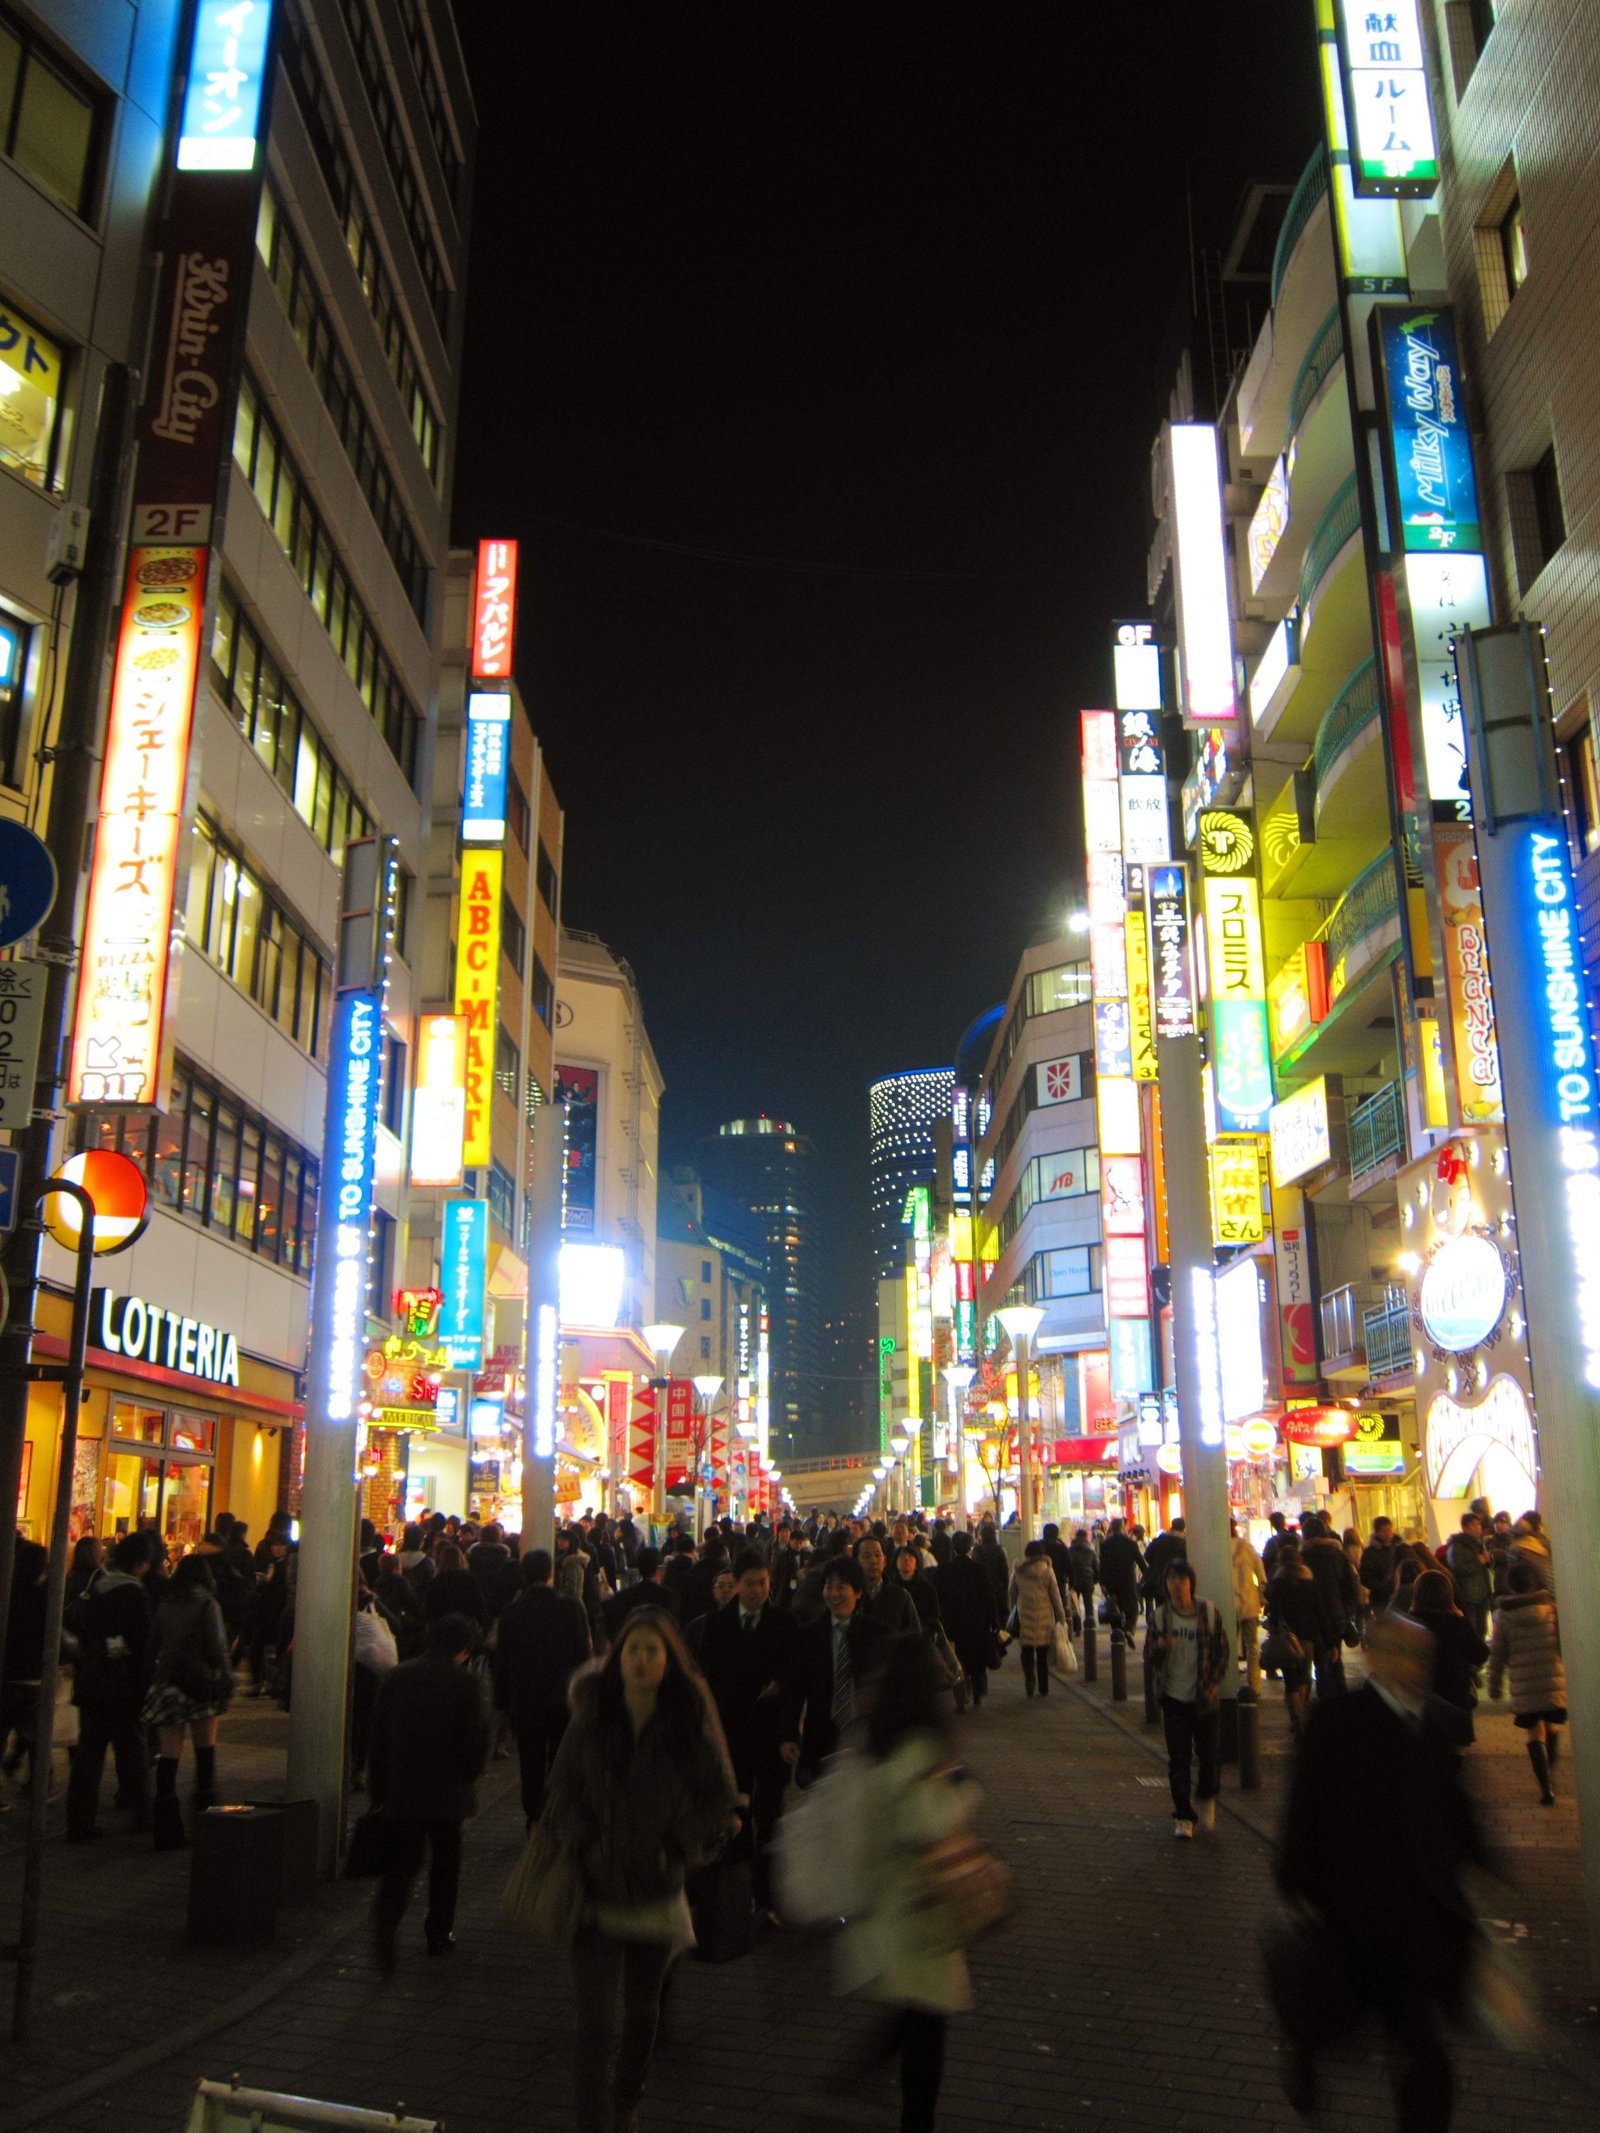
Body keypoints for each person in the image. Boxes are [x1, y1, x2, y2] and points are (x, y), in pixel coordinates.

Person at [1273, 1613, 1483, 2127]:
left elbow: (1454, 1810)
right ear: (1373, 1656)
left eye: (1420, 1657)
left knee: (1423, 2054)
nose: (1412, 1666)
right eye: (1400, 1654)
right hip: (1352, 1912)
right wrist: (1294, 1877)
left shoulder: (1439, 1723)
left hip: (1415, 1922)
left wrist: (1479, 1859)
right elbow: (1305, 1806)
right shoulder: (1337, 1719)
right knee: (1335, 2014)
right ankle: (1305, 2054)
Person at [544, 1610, 738, 2133]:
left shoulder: (683, 1719)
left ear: (669, 1661)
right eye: (634, 1650)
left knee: (641, 2018)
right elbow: (561, 1790)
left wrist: (681, 1846)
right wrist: (584, 1842)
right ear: (616, 1657)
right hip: (595, 1889)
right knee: (594, 2026)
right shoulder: (592, 1715)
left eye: (654, 1651)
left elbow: (718, 1797)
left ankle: (627, 2101)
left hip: (657, 1888)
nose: (642, 1660)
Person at [835, 1634, 979, 2133]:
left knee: (912, 2012)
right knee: (927, 2024)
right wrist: (964, 1792)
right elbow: (926, 1822)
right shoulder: (922, 1746)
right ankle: (911, 2118)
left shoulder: (875, 1738)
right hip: (926, 1902)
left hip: (891, 1900)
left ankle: (856, 2079)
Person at [369, 1612, 491, 1968]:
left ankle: (386, 1924)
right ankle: (438, 1933)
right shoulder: (467, 1684)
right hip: (447, 1792)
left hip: (402, 1787)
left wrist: (380, 1789)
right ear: (464, 1649)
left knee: (403, 1861)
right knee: (445, 1863)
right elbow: (476, 1742)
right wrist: (468, 1776)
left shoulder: (397, 1677)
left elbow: (379, 1739)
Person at [695, 1551, 798, 1916]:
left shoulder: (784, 1624)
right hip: (731, 1737)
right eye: (750, 1583)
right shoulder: (716, 1624)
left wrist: (781, 1693)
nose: (757, 1590)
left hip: (770, 1737)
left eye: (763, 1582)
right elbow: (704, 1675)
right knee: (735, 1815)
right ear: (736, 1584)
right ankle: (739, 1894)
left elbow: (793, 1678)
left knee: (770, 1816)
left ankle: (766, 1897)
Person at [140, 1553, 234, 1849]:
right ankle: (205, 1823)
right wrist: (227, 1678)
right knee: (205, 1753)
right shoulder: (208, 1604)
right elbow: (218, 1648)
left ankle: (166, 1829)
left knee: (169, 1757)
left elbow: (151, 1646)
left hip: (168, 1686)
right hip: (199, 1686)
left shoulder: (165, 1605)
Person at [65, 1533, 154, 1840]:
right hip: (123, 1686)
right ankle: (143, 1814)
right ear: (141, 1564)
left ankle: (79, 1822)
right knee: (131, 1752)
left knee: (88, 1756)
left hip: (92, 1681)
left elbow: (81, 1629)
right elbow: (142, 1644)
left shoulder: (97, 1587)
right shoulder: (134, 1595)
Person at [780, 1556, 892, 1781]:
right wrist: (789, 1734)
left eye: (841, 1587)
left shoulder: (877, 1635)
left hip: (864, 1735)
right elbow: (793, 1689)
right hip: (819, 1736)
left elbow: (888, 1688)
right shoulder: (808, 1637)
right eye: (828, 1587)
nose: (833, 1594)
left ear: (858, 1592)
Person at [1145, 1558, 1228, 1838]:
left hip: (1204, 1697)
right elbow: (1150, 1658)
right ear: (1165, 1585)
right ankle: (1183, 1816)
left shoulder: (1209, 1613)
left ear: (1191, 1583)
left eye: (1181, 1580)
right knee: (1178, 1759)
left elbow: (1222, 1652)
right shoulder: (1160, 1617)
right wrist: (1158, 1646)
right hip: (1173, 1698)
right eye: (1171, 1581)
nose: (1176, 1586)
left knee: (1210, 1756)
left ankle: (1206, 1796)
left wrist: (1214, 1682)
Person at [1488, 1562, 1567, 1803]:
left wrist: (1494, 1685)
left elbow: (1498, 1653)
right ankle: (1550, 1776)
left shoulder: (1503, 1616)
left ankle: (1545, 1787)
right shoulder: (1551, 1610)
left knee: (1534, 1732)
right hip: (1552, 1678)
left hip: (1523, 1684)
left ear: (1510, 1586)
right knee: (1551, 1727)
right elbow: (1562, 1645)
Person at [1409, 1570, 1488, 1732]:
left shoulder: (1410, 1624)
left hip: (1421, 1703)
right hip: (1455, 1698)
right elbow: (1481, 1653)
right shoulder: (1457, 1624)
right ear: (1448, 1594)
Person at [1263, 1535, 1322, 1737]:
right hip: (1307, 1635)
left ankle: (1296, 1719)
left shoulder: (1278, 1581)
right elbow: (1318, 1608)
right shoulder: (1310, 1580)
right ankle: (1303, 1714)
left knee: (1290, 1679)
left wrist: (1274, 1627)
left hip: (1287, 1636)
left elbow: (1274, 1609)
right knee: (1305, 1674)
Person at [933, 1531, 998, 1708]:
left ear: (953, 1548)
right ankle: (977, 1693)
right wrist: (994, 1622)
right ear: (970, 1548)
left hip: (953, 1621)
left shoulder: (943, 1570)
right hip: (978, 1621)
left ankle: (961, 1698)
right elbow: (989, 1598)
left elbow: (938, 1597)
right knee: (977, 1658)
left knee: (957, 1659)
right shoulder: (981, 1569)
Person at [1300, 1513, 1360, 1695]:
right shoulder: (1338, 1555)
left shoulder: (1302, 1557)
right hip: (1336, 1615)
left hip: (1312, 1617)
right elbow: (1352, 1587)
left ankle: (1326, 1702)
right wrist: (1346, 1610)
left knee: (1320, 1659)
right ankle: (1340, 1699)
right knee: (1335, 1658)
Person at [1008, 1539, 1067, 1699]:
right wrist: (1061, 1617)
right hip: (1044, 1616)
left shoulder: (1018, 1570)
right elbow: (1056, 1596)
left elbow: (1012, 1592)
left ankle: (1029, 1679)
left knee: (1026, 1651)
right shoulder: (1048, 1570)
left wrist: (1016, 1603)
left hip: (1024, 1615)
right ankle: (1044, 1686)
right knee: (1042, 1654)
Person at [1443, 1512, 1493, 1647]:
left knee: (1483, 1630)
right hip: (1468, 1595)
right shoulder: (1457, 1545)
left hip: (1482, 1593)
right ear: (1465, 1527)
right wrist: (1478, 1562)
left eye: (1479, 1525)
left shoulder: (1478, 1544)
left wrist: (1488, 1561)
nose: (1478, 1528)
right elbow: (1457, 1568)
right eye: (1474, 1525)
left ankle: (1481, 1655)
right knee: (1472, 1630)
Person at [856, 1537, 918, 1635]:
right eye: (867, 1556)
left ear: (884, 1561)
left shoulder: (900, 1596)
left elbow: (915, 1636)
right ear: (856, 1560)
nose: (873, 1561)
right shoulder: (849, 1596)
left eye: (877, 1555)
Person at [423, 1542, 487, 1633]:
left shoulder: (437, 1581)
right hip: (466, 1625)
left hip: (442, 1626)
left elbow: (429, 1607)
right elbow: (479, 1605)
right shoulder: (470, 1579)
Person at [1097, 1517, 1143, 1636]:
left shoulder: (1105, 1544)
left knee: (1114, 1607)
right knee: (1132, 1608)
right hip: (1128, 1580)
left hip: (1111, 1582)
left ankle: (1117, 1632)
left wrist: (1102, 1583)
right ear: (1123, 1527)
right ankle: (1128, 1629)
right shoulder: (1131, 1544)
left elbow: (1102, 1565)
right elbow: (1141, 1562)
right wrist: (1146, 1576)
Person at [1230, 1520, 1266, 1674]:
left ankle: (1229, 1679)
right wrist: (1262, 1588)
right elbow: (1260, 1570)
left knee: (1228, 1642)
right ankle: (1254, 1683)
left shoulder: (1218, 1548)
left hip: (1228, 1602)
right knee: (1252, 1645)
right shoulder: (1246, 1546)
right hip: (1249, 1602)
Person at [1358, 1515, 1405, 1616]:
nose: (1388, 1534)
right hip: (1380, 1599)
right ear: (1376, 1532)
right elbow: (1365, 1576)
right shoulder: (1370, 1552)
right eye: (1384, 1531)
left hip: (1400, 1597)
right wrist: (1381, 1587)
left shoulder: (1400, 1548)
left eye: (1389, 1530)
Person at [893, 1544, 942, 1632]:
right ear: (895, 1562)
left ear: (917, 1564)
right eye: (902, 1556)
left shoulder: (927, 1588)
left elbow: (934, 1617)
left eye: (911, 1556)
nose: (906, 1559)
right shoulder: (890, 1587)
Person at [973, 1523, 1011, 1625]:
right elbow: (1005, 1571)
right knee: (1000, 1618)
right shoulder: (1000, 1550)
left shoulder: (977, 1550)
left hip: (982, 1589)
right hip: (998, 1589)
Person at [1066, 1528, 1097, 1630]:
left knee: (1074, 1604)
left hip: (1074, 1581)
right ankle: (1090, 1624)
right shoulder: (1090, 1551)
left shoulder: (1070, 1550)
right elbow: (1096, 1567)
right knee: (1088, 1603)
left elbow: (1067, 1566)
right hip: (1088, 1580)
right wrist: (1094, 1580)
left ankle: (1077, 1627)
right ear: (1085, 1537)